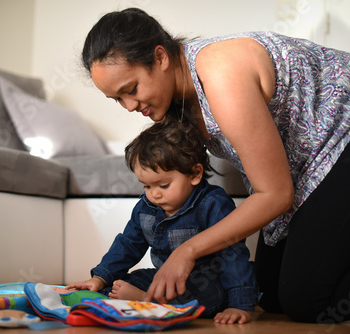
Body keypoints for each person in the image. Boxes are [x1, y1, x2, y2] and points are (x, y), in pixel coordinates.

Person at [80, 7, 350, 324]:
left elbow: (276, 194)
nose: (129, 106)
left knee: (308, 300)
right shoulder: (176, 106)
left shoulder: (221, 72)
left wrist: (187, 251)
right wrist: (102, 276)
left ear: (161, 57)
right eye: (117, 99)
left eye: (131, 90)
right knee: (270, 294)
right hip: (308, 160)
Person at [65, 116, 259, 323]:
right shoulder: (146, 207)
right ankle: (134, 301)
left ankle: (150, 303)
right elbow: (128, 244)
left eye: (163, 186)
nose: (154, 195)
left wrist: (240, 305)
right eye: (147, 186)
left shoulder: (213, 203)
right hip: (166, 279)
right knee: (119, 283)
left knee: (204, 290)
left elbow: (233, 254)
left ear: (195, 174)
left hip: (211, 281)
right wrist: (100, 277)